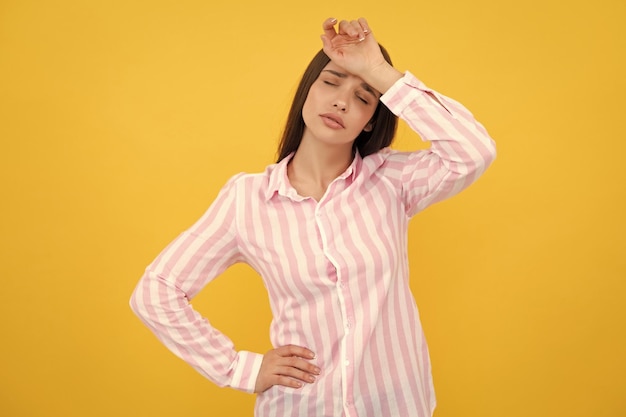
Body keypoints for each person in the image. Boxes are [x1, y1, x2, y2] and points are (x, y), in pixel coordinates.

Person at [130, 16, 496, 417]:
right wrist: (239, 369)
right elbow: (157, 291)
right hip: (301, 407)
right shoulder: (247, 199)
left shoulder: (392, 181)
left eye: (363, 97)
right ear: (308, 90)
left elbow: (474, 151)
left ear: (372, 118)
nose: (342, 101)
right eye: (331, 81)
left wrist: (378, 71)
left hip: (396, 405)